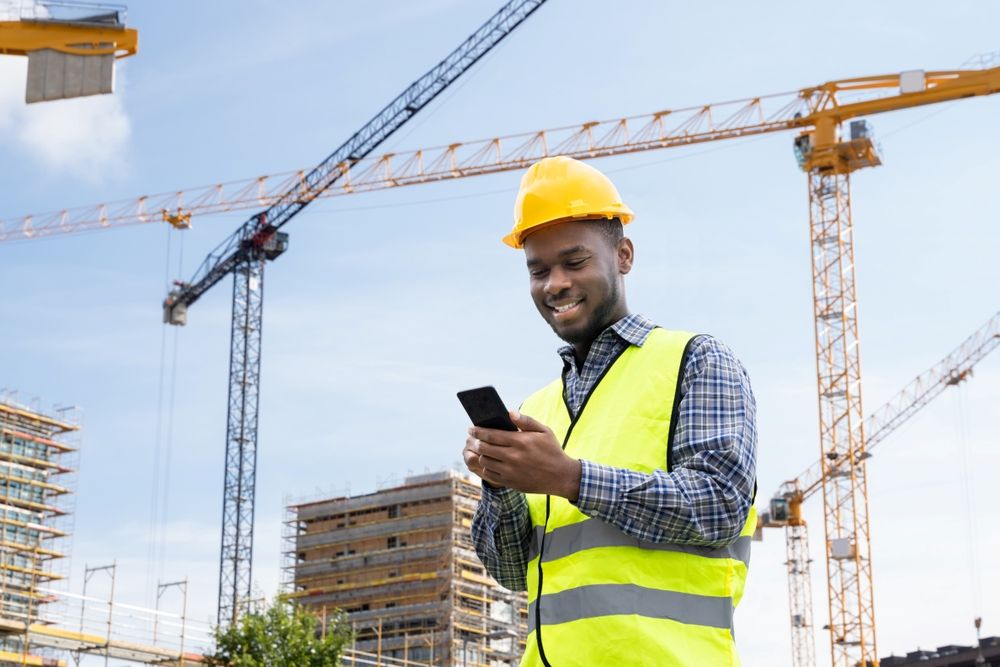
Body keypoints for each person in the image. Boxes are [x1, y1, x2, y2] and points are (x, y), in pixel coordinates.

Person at [463, 156, 757, 666]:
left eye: (574, 262)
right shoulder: (536, 409)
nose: (554, 283)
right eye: (538, 270)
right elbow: (512, 572)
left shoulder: (696, 360)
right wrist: (501, 482)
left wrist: (568, 477)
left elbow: (720, 506)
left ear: (623, 255)